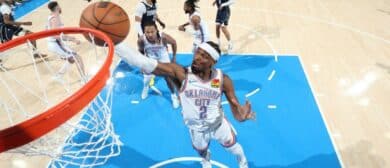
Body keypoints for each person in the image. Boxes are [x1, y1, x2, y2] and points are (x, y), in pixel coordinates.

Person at [115, 41, 254, 168]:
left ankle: (243, 161)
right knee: (202, 151)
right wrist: (115, 43)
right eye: (198, 52)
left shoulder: (223, 80)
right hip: (196, 128)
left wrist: (242, 116)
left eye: (204, 56)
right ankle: (206, 160)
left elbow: (237, 111)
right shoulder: (181, 73)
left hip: (218, 125)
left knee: (233, 148)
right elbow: (144, 63)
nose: (198, 57)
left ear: (213, 62)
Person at [137, 21, 179, 108]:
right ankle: (145, 87)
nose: (150, 34)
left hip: (163, 58)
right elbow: (141, 51)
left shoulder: (163, 37)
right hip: (151, 59)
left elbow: (174, 42)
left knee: (168, 78)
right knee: (146, 78)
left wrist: (174, 57)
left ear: (156, 30)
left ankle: (174, 95)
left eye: (152, 32)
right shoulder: (141, 40)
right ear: (144, 32)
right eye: (147, 32)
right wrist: (141, 63)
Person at [47, 1, 85, 82]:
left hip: (56, 43)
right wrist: (72, 39)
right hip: (56, 44)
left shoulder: (54, 16)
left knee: (71, 59)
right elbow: (55, 35)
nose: (60, 7)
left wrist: (71, 37)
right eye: (59, 6)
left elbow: (59, 33)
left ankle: (58, 76)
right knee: (78, 58)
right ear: (57, 7)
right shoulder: (54, 19)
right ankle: (84, 79)